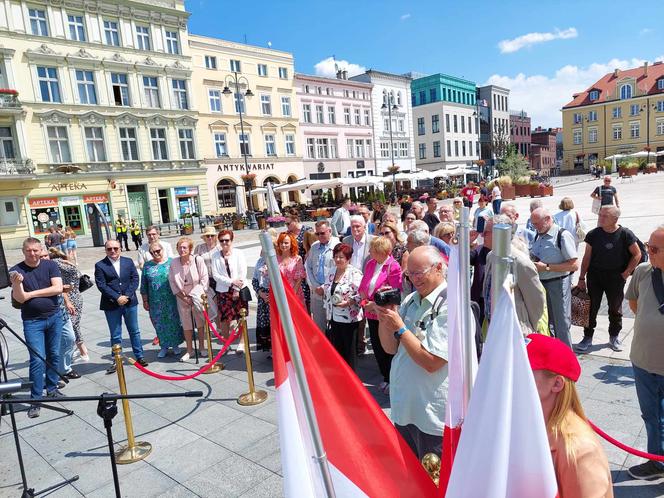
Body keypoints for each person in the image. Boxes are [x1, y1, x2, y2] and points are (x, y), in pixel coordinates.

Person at [375, 246, 449, 459]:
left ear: (438, 268)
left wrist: (399, 327)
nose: (414, 279)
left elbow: (432, 362)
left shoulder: (450, 305)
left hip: (431, 417)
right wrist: (385, 318)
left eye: (419, 273)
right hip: (405, 409)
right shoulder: (410, 300)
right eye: (409, 273)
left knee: (434, 483)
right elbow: (390, 348)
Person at [526, 334, 613, 496]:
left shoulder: (580, 451)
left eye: (524, 373)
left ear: (557, 384)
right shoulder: (525, 424)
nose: (512, 379)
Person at [625, 225, 664, 480]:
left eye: (654, 248)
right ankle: (656, 461)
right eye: (647, 246)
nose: (647, 251)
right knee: (651, 416)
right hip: (642, 360)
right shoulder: (642, 271)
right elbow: (634, 302)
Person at [10, 238, 64, 418]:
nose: (32, 254)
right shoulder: (16, 270)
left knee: (54, 354)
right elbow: (19, 299)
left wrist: (31, 293)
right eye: (28, 251)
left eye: (35, 250)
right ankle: (35, 399)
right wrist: (17, 284)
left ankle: (52, 388)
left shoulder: (50, 266)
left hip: (54, 317)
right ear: (23, 251)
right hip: (32, 322)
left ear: (41, 250)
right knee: (37, 359)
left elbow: (57, 288)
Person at [576, 206, 642, 353]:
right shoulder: (593, 234)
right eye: (600, 215)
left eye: (604, 216)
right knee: (591, 308)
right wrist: (581, 278)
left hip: (616, 278)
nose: (600, 218)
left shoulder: (625, 234)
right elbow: (587, 257)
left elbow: (637, 254)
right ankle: (587, 337)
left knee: (615, 308)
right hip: (595, 277)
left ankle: (614, 336)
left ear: (615, 219)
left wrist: (626, 272)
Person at [484, 215, 546, 335]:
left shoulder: (521, 262)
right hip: (494, 328)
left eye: (486, 232)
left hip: (515, 332)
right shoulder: (490, 256)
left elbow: (536, 301)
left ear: (500, 234)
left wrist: (527, 327)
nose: (482, 235)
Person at [94, 240, 148, 374]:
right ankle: (116, 359)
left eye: (115, 248)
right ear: (106, 250)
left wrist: (127, 296)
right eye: (109, 249)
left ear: (120, 249)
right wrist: (117, 297)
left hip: (129, 302)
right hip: (111, 304)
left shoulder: (128, 261)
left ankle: (139, 356)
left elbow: (135, 279)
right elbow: (101, 285)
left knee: (134, 331)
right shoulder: (100, 265)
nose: (113, 251)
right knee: (116, 334)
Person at [359, 237, 403, 395]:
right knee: (377, 347)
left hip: (384, 314)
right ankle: (385, 376)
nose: (370, 252)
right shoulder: (371, 263)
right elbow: (363, 286)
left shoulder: (393, 267)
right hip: (371, 312)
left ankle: (393, 379)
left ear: (383, 252)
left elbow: (393, 295)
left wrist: (375, 306)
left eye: (373, 250)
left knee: (388, 348)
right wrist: (366, 302)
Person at [530, 208, 579, 348]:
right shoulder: (538, 234)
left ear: (547, 219)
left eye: (537, 223)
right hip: (541, 284)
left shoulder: (562, 235)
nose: (535, 227)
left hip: (557, 284)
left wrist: (546, 267)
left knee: (561, 324)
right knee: (546, 322)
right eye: (533, 224)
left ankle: (567, 361)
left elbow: (574, 265)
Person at [324, 243, 363, 370]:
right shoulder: (331, 271)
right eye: (336, 256)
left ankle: (352, 378)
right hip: (334, 317)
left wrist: (349, 302)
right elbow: (327, 290)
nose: (338, 260)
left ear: (348, 258)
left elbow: (361, 294)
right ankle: (341, 375)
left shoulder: (355, 273)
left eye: (341, 257)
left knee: (349, 350)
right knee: (338, 348)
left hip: (349, 318)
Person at [168, 237, 208, 362]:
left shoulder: (198, 260)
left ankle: (202, 347)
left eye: (184, 247)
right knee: (186, 324)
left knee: (200, 322)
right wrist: (184, 297)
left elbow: (204, 278)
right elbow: (172, 282)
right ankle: (189, 350)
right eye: (179, 247)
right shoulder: (174, 262)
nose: (182, 249)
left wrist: (196, 295)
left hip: (197, 295)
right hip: (182, 297)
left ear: (190, 249)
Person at [141, 242, 184, 358]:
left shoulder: (171, 262)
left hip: (171, 299)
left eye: (158, 251)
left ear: (162, 250)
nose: (156, 253)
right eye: (153, 252)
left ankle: (175, 345)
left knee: (173, 322)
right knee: (159, 323)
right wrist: (145, 300)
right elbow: (144, 284)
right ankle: (164, 346)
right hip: (155, 301)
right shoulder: (147, 266)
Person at [48, 248, 83, 378]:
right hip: (44, 312)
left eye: (46, 255)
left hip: (61, 308)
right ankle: (57, 371)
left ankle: (64, 367)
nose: (44, 258)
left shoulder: (53, 267)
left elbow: (60, 287)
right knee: (50, 343)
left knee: (69, 337)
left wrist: (67, 301)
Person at [211, 229, 248, 343]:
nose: (224, 243)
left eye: (227, 240)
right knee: (224, 318)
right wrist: (231, 282)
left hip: (240, 290)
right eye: (221, 241)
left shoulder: (238, 253)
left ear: (232, 240)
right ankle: (226, 343)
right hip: (223, 291)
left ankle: (242, 342)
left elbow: (243, 272)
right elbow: (216, 275)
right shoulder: (215, 256)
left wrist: (236, 288)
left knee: (241, 317)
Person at [305, 220, 339, 333]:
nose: (320, 236)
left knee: (335, 327)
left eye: (322, 233)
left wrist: (324, 287)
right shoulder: (314, 247)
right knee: (319, 326)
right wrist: (315, 286)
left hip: (332, 292)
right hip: (316, 293)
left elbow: (339, 270)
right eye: (317, 234)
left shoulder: (338, 246)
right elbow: (308, 267)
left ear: (330, 231)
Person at [194, 226, 221, 329]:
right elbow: (194, 264)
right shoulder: (199, 248)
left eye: (212, 236)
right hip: (205, 280)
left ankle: (219, 327)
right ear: (204, 238)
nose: (210, 238)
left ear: (215, 237)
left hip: (218, 279)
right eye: (207, 236)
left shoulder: (219, 248)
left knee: (218, 304)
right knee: (209, 304)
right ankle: (210, 326)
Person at [287, 213, 314, 311]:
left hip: (306, 266)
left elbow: (312, 246)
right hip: (295, 269)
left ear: (295, 220)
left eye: (288, 223)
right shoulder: (288, 233)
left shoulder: (307, 230)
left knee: (308, 296)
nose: (287, 226)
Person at [277, 232, 307, 305]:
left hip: (294, 293)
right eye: (281, 243)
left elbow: (299, 280)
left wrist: (292, 295)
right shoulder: (275, 259)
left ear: (291, 244)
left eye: (286, 243)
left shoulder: (297, 259)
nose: (283, 245)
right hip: (280, 293)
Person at [252, 247, 272, 353]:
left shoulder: (276, 261)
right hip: (262, 297)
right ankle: (270, 349)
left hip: (273, 296)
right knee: (265, 323)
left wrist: (270, 294)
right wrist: (260, 293)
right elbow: (255, 279)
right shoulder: (259, 262)